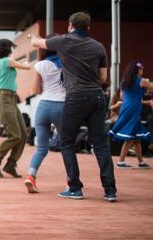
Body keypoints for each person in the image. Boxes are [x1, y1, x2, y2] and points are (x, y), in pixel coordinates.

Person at [30, 11, 117, 202]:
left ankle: (75, 188)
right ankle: (110, 191)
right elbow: (103, 78)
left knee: (66, 142)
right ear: (88, 27)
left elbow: (36, 43)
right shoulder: (99, 46)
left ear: (70, 25)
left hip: (76, 97)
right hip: (97, 96)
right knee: (100, 144)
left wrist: (32, 37)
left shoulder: (64, 41)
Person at [109, 61, 153, 168]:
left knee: (136, 137)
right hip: (133, 109)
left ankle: (140, 162)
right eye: (142, 69)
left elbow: (122, 96)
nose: (142, 71)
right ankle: (121, 162)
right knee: (131, 137)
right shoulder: (141, 81)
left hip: (127, 107)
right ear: (137, 70)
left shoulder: (124, 81)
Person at [0, 39, 31, 178]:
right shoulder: (6, 61)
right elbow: (27, 67)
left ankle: (11, 164)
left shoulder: (1, 63)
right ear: (8, 49)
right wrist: (25, 61)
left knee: (23, 134)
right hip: (4, 99)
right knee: (15, 135)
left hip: (10, 99)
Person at [24, 46, 65, 193]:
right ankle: (71, 182)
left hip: (43, 106)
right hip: (61, 105)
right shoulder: (67, 63)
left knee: (41, 148)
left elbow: (36, 90)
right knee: (67, 146)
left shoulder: (40, 65)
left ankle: (31, 176)